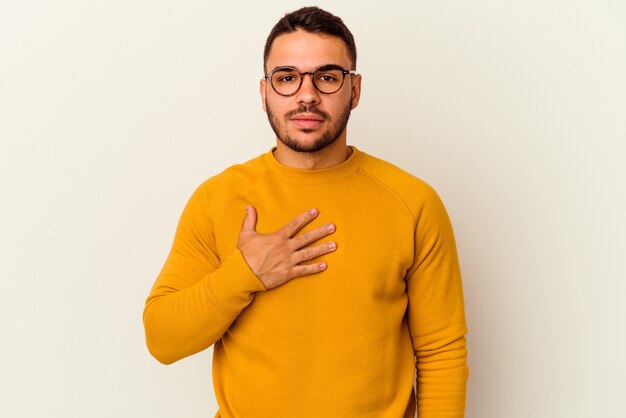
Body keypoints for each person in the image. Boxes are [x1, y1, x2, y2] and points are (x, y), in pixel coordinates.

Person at [143, 6, 468, 418]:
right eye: (287, 78)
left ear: (355, 90)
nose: (307, 94)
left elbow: (441, 351)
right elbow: (162, 340)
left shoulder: (413, 202)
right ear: (264, 92)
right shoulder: (218, 198)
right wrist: (245, 273)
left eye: (327, 77)